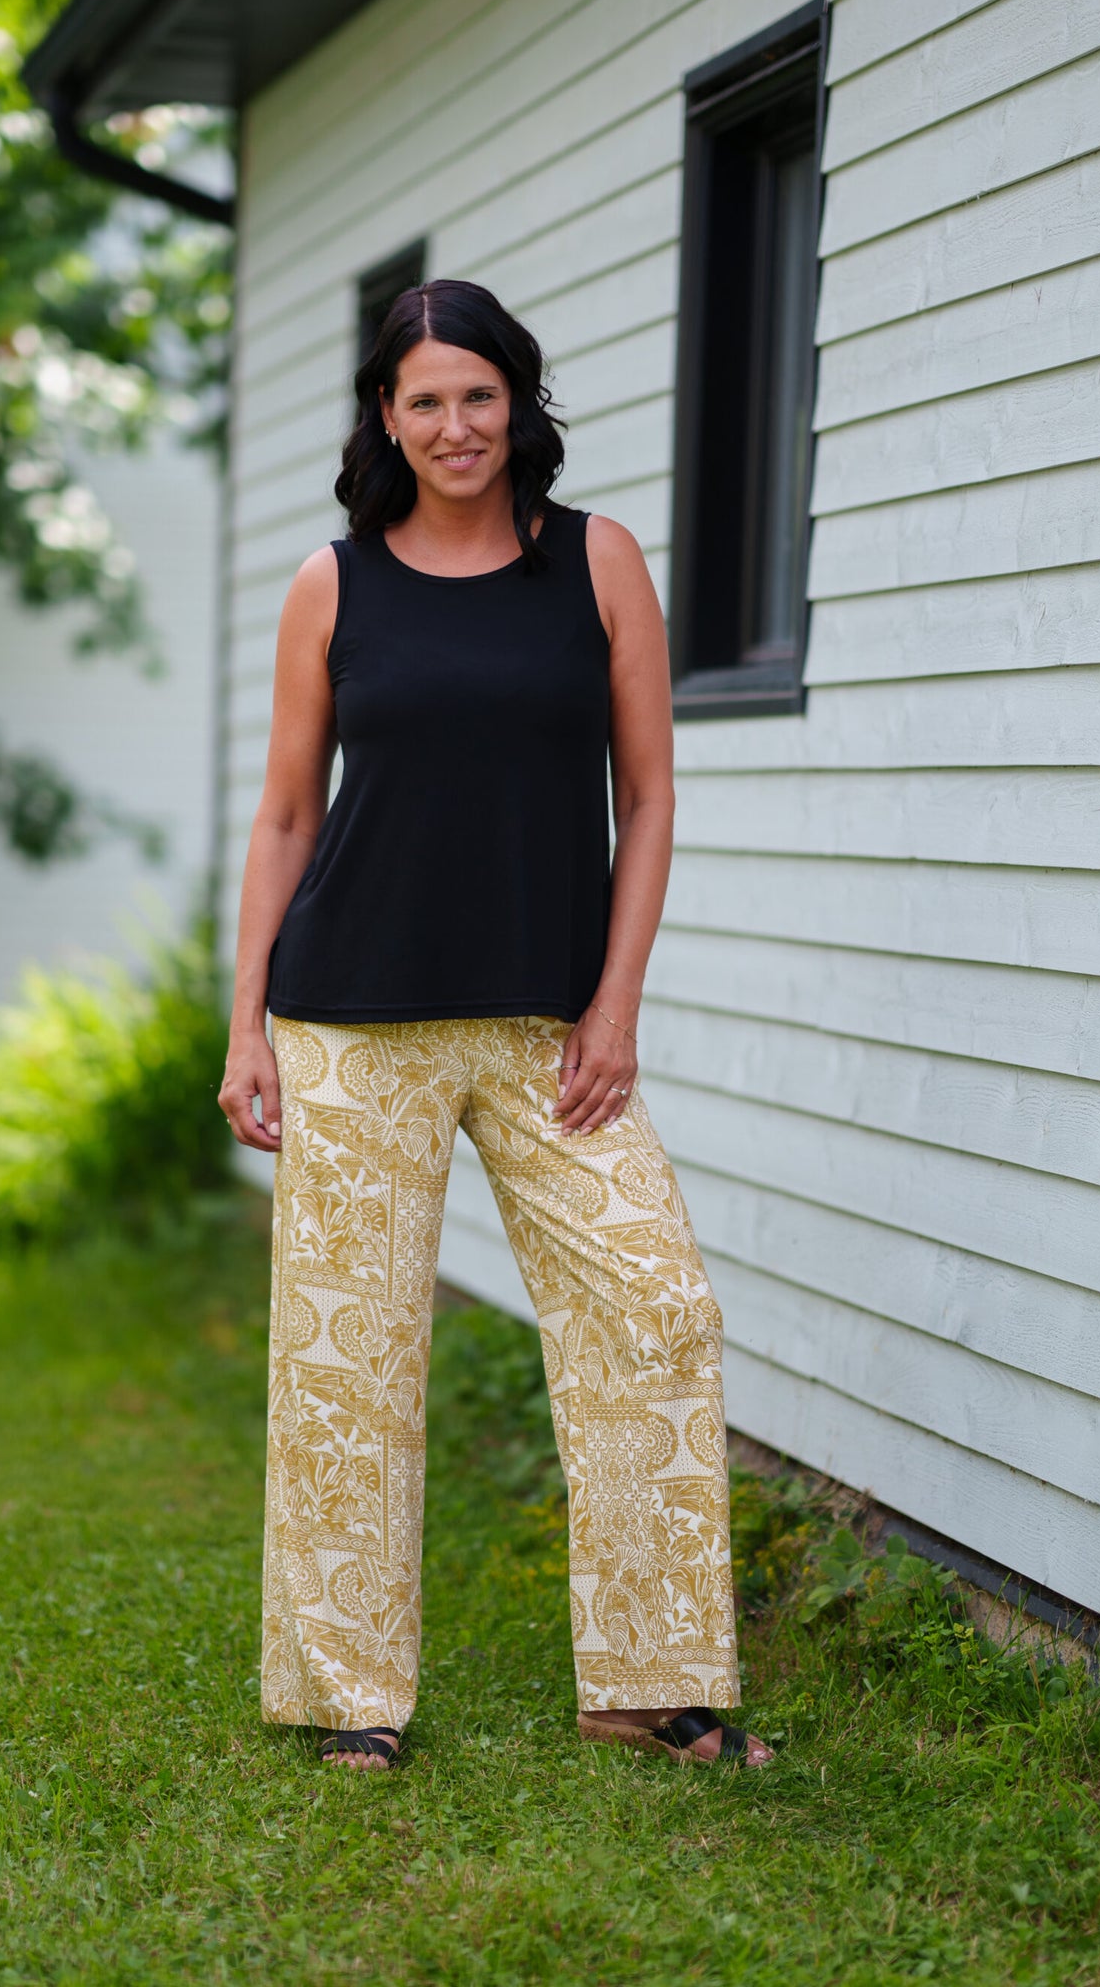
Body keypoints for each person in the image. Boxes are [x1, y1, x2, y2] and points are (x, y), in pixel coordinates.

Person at [218, 278, 772, 1773]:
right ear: (384, 421)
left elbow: (649, 795)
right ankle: (352, 1701)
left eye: (479, 395)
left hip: (549, 1029)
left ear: (518, 404)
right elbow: (282, 816)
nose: (455, 426)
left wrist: (615, 1005)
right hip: (349, 1021)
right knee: (347, 1373)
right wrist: (246, 1026)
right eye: (424, 401)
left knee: (656, 1312)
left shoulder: (597, 563)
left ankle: (648, 1684)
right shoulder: (332, 585)